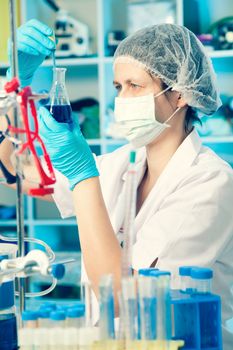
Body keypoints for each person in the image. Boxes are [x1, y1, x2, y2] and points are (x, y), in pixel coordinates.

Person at [2, 19, 233, 348]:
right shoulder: (120, 164)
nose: (122, 100)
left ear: (180, 94)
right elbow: (11, 169)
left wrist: (82, 176)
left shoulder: (211, 184)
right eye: (117, 87)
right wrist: (12, 87)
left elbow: (125, 298)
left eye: (134, 86)